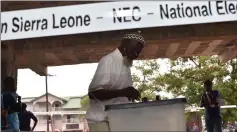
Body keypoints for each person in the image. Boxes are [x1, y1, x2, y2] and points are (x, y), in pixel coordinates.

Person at [86, 33, 145, 131]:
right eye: (134, 49)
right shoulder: (109, 61)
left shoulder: (125, 64)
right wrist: (124, 92)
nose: (136, 54)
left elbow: (123, 94)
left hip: (116, 120)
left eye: (138, 52)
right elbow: (93, 93)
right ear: (124, 45)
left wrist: (130, 96)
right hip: (101, 121)